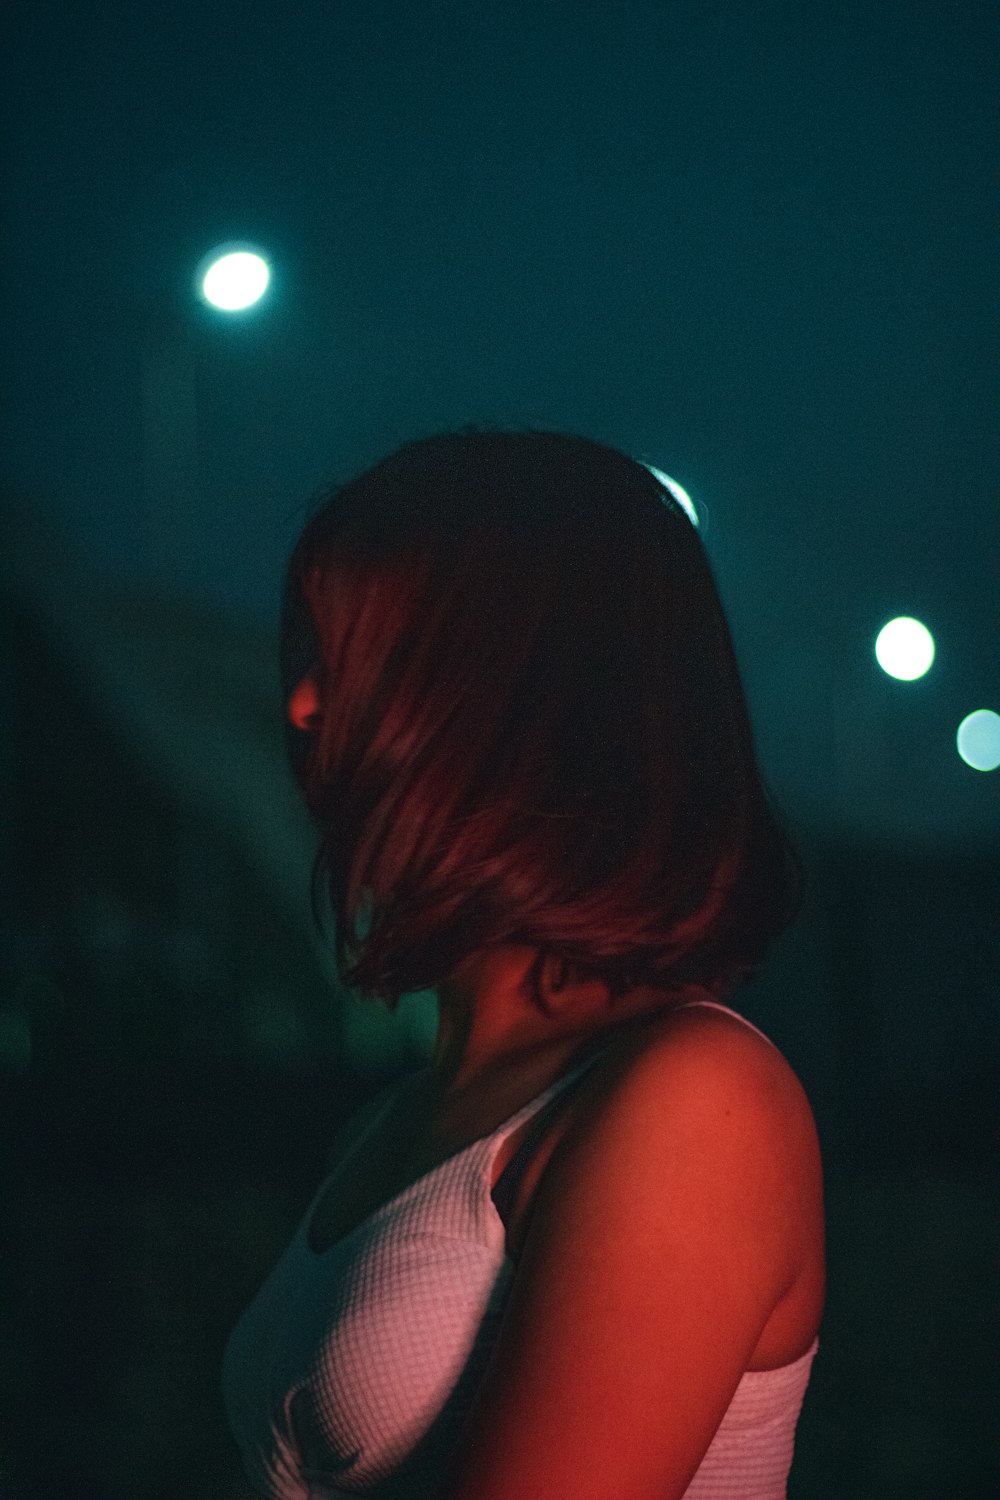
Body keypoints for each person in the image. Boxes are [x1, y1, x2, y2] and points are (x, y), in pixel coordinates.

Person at [223, 429, 825, 1500]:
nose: (303, 705)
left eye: (359, 656)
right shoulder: (393, 1121)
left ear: (519, 694)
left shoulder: (693, 1096)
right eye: (303, 656)